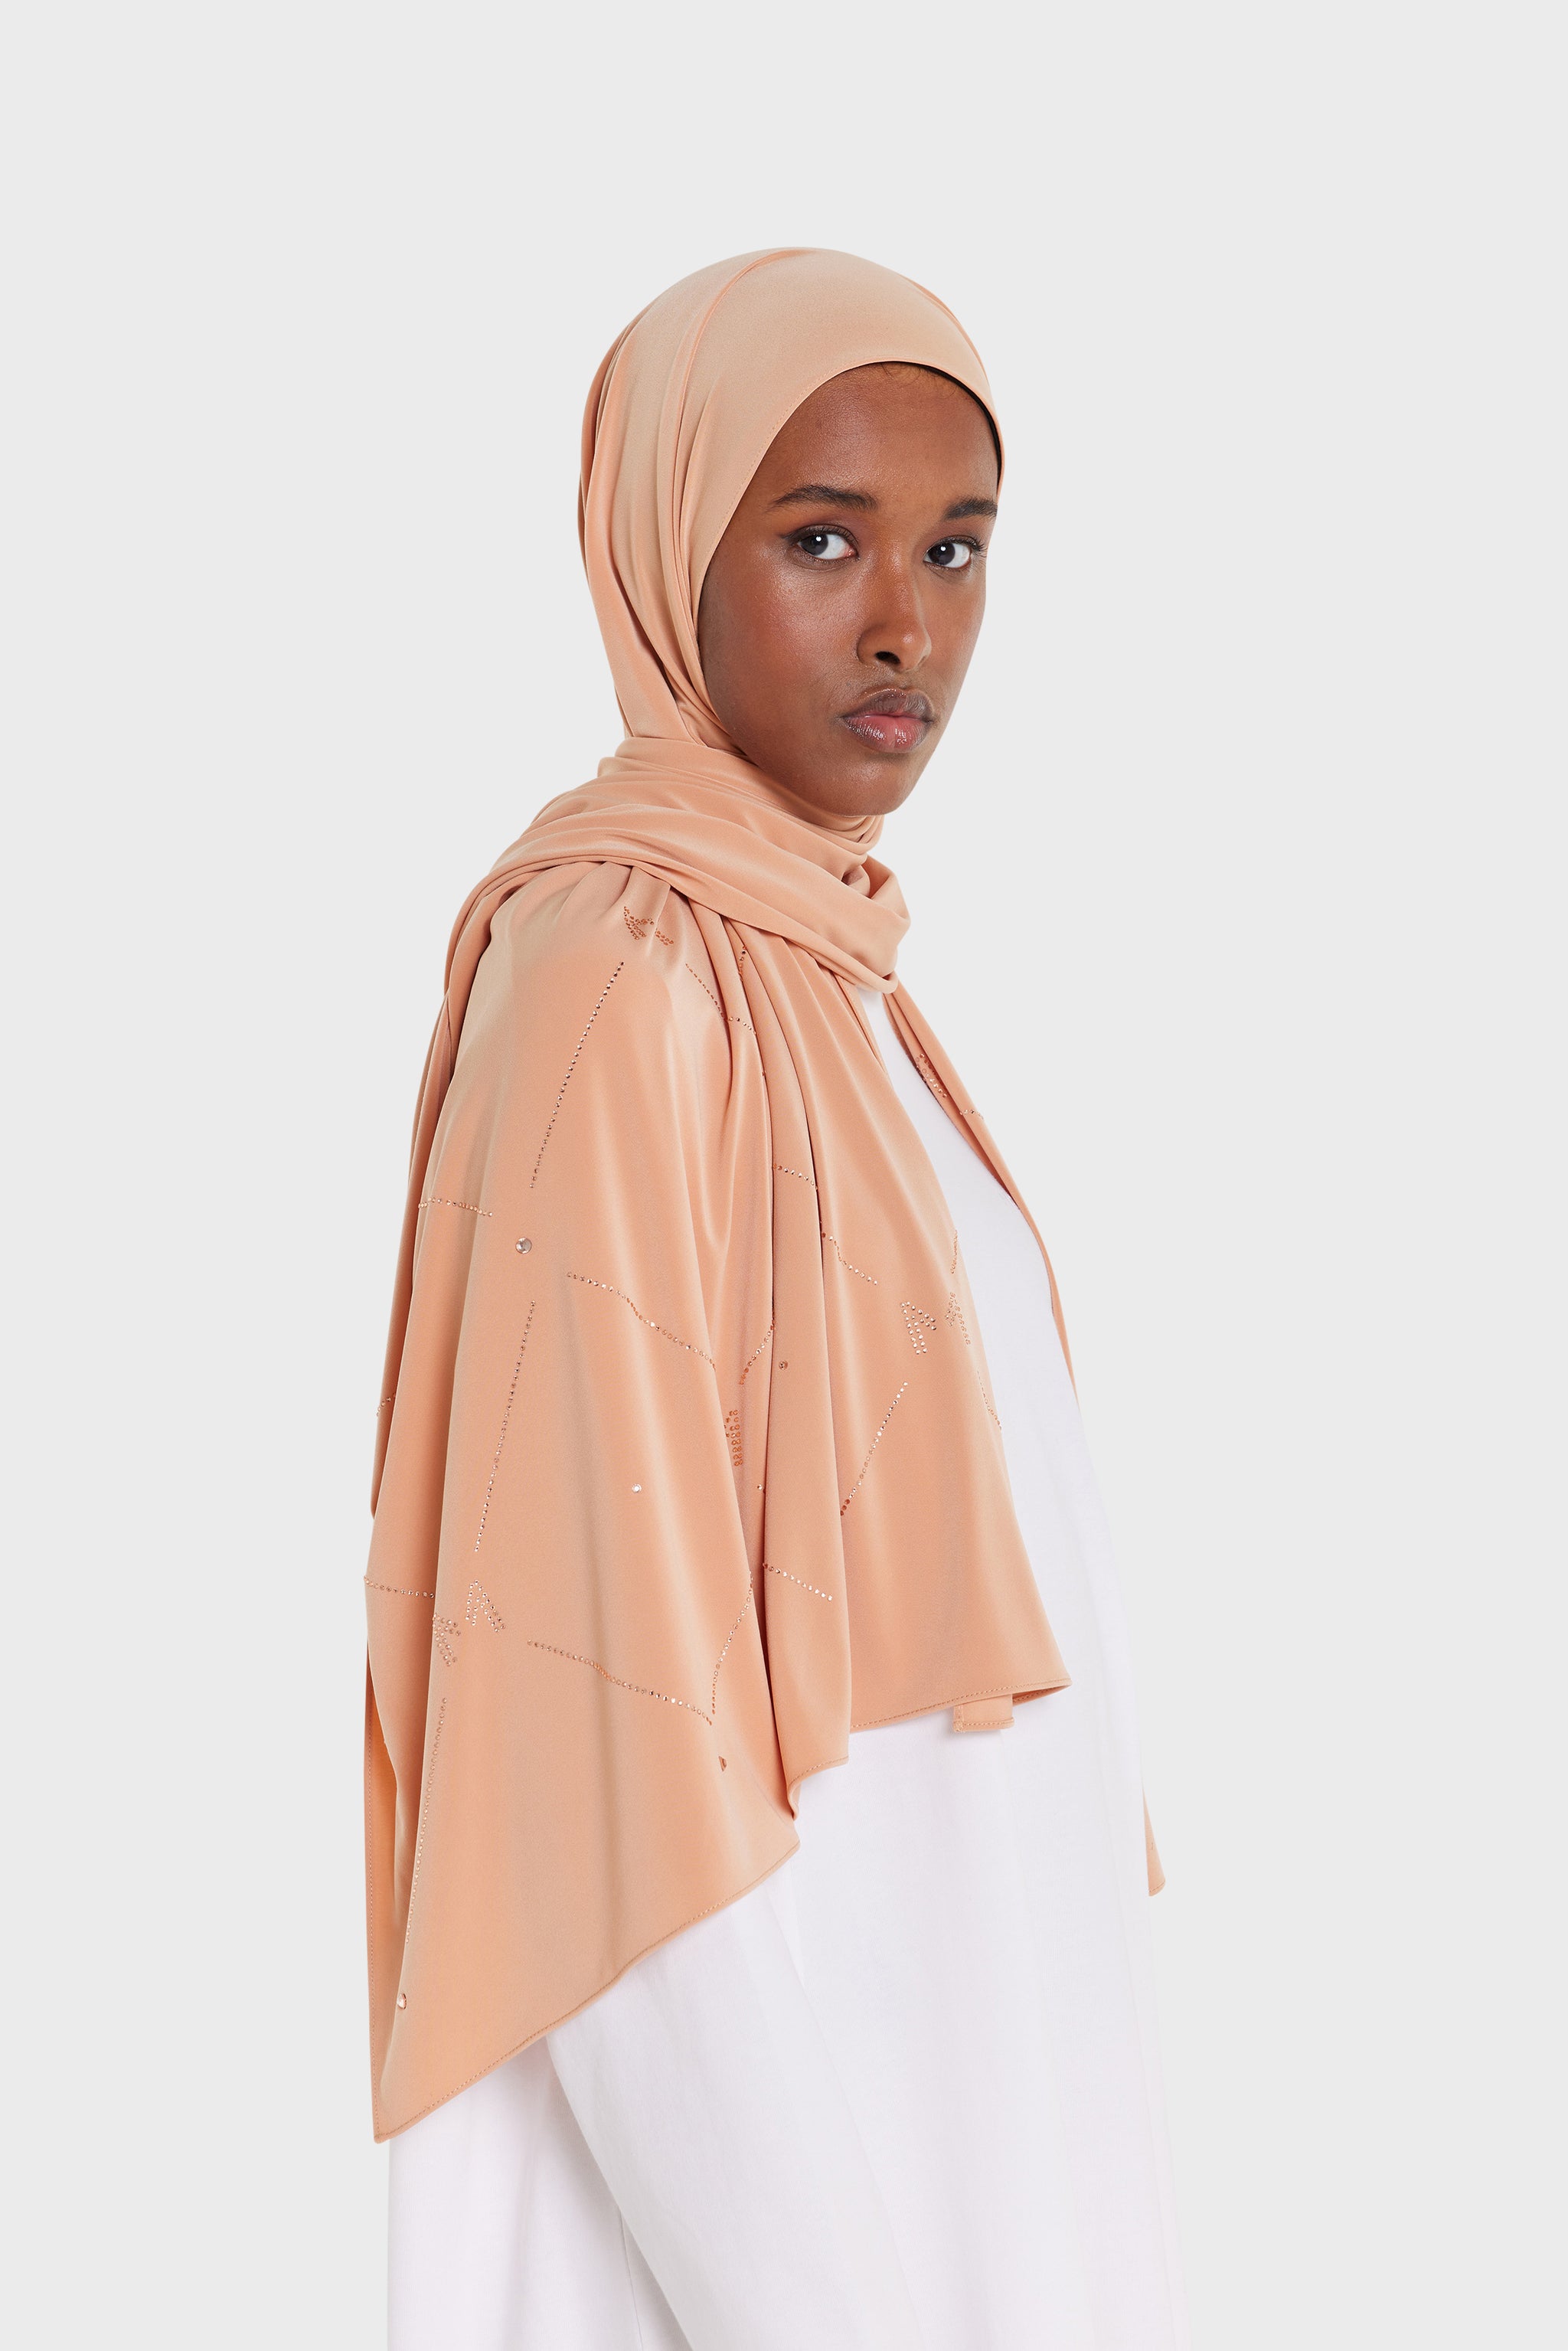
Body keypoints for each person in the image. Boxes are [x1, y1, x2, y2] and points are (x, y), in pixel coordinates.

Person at [366, 247, 1189, 2350]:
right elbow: (595, 1762)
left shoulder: (845, 992)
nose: (908, 623)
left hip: (979, 2158)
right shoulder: (613, 989)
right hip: (777, 2259)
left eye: (957, 548)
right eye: (821, 541)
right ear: (668, 550)